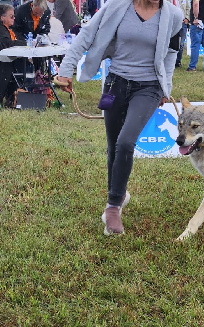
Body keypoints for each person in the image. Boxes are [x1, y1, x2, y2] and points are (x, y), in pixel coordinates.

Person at [57, 0, 183, 235]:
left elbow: (171, 52)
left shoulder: (173, 15)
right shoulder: (117, 6)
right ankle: (119, 193)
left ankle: (113, 207)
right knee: (114, 146)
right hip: (116, 83)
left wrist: (165, 87)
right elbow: (86, 34)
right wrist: (66, 70)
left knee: (126, 142)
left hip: (149, 87)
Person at [0, 3, 26, 108]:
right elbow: (7, 43)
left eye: (14, 16)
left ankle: (13, 98)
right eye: (11, 16)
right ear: (2, 17)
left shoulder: (8, 29)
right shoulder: (1, 30)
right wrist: (26, 43)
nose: (14, 18)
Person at [173, 0, 190, 68]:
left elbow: (188, 8)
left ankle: (178, 61)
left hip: (183, 23)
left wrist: (187, 18)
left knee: (181, 44)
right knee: (172, 43)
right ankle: (171, 61)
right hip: (172, 23)